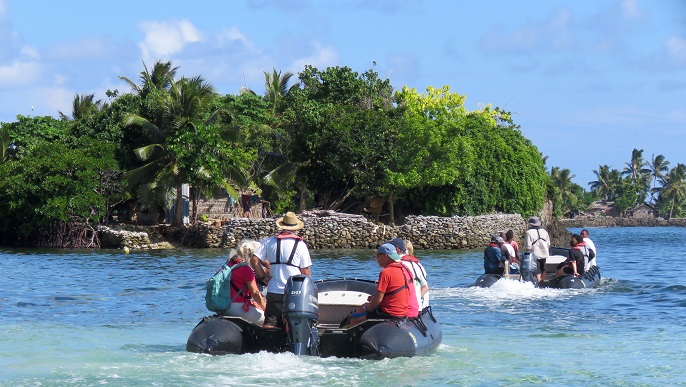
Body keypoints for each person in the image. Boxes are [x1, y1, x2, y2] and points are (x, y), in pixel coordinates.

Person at [255, 211, 312, 328]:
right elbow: (305, 271)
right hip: (294, 291)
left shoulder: (270, 241)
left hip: (273, 290)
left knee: (270, 322)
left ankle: (267, 344)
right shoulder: (300, 245)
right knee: (291, 323)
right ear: (296, 228)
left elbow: (254, 260)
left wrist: (263, 278)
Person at [348, 243, 413, 326]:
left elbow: (378, 299)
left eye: (378, 255)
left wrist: (366, 309)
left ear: (385, 256)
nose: (376, 259)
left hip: (388, 314)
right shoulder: (405, 269)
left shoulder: (385, 272)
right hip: (402, 313)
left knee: (354, 320)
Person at [219, 239, 266, 325]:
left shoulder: (230, 264)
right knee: (267, 319)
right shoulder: (246, 269)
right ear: (252, 255)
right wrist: (267, 310)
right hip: (236, 307)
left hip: (223, 306)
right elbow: (255, 293)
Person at [389, 238, 428, 312]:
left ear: (396, 250)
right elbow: (425, 287)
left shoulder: (398, 265)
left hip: (408, 309)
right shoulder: (416, 264)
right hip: (419, 307)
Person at [524, 216, 550, 283]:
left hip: (535, 254)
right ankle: (543, 282)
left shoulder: (528, 232)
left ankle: (539, 283)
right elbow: (548, 245)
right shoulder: (545, 232)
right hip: (544, 253)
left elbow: (528, 247)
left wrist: (527, 255)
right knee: (543, 269)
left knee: (537, 271)